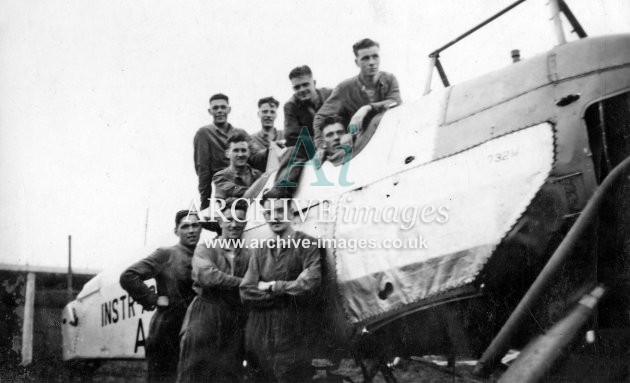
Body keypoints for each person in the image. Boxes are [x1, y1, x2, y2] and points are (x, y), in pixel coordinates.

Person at [240, 197, 321, 383]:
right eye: (269, 213)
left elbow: (310, 283)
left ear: (291, 212)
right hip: (259, 334)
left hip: (292, 332)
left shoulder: (308, 244)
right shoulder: (261, 250)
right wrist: (287, 291)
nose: (274, 217)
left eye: (279, 210)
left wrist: (272, 286)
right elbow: (246, 291)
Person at [119, 210, 202, 383]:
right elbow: (128, 276)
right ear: (176, 231)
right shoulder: (166, 254)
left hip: (193, 330)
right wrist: (153, 299)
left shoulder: (204, 256)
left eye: (195, 225)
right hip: (167, 330)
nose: (191, 230)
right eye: (185, 226)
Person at [177, 199, 251, 383]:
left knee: (230, 373)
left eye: (240, 220)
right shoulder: (205, 248)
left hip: (234, 316)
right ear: (219, 221)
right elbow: (208, 276)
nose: (234, 224)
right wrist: (244, 283)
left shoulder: (249, 254)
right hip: (205, 312)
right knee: (194, 372)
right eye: (229, 219)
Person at [313, 38, 401, 156]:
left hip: (391, 139)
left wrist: (366, 108)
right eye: (365, 58)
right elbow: (320, 117)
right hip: (362, 147)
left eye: (375, 56)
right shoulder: (344, 88)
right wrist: (321, 146)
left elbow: (396, 101)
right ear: (357, 62)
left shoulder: (389, 79)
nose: (371, 62)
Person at [194, 93, 265, 210]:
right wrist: (205, 205)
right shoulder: (204, 133)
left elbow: (256, 155)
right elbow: (203, 170)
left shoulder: (240, 132)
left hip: (247, 180)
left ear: (229, 109)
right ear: (210, 111)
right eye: (215, 108)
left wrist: (272, 148)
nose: (220, 111)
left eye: (223, 107)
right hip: (225, 186)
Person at [271, 66, 332, 196]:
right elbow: (292, 136)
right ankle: (280, 192)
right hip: (311, 148)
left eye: (305, 85)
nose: (302, 90)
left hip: (335, 137)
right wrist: (319, 145)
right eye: (297, 87)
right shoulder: (291, 106)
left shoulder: (330, 95)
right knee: (292, 151)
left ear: (314, 83)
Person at [212, 131, 263, 200]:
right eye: (236, 150)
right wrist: (258, 192)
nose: (240, 154)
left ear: (249, 153)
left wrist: (231, 200)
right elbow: (222, 205)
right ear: (227, 154)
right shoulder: (220, 177)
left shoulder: (259, 175)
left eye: (243, 150)